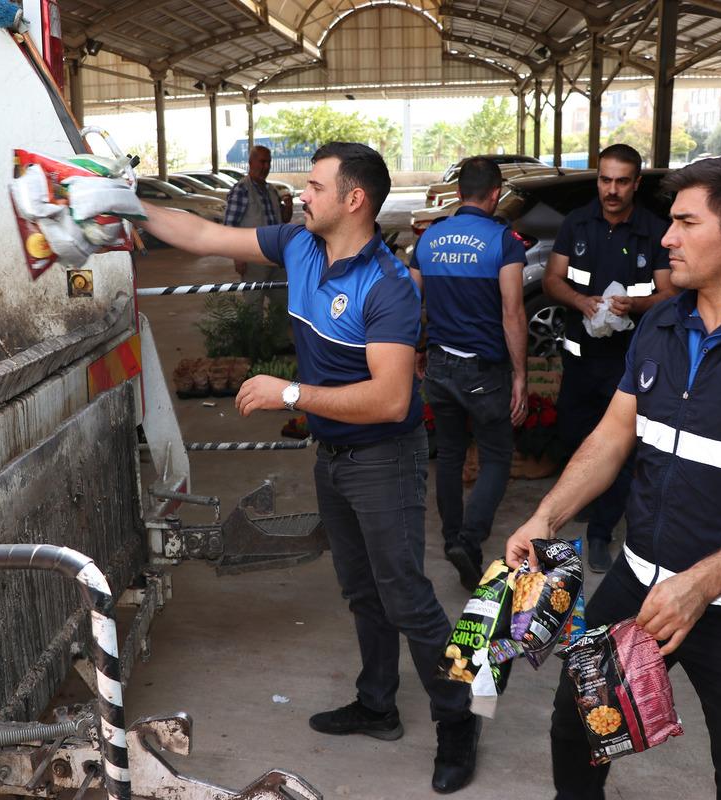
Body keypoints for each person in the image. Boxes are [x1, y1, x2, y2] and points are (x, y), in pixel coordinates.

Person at [507, 156, 721, 800]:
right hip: (639, 581)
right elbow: (613, 436)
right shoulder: (663, 326)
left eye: (685, 222)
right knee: (579, 727)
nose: (665, 237)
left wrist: (700, 585)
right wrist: (546, 517)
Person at [136, 142, 479, 794]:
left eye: (317, 185)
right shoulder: (298, 245)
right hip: (336, 457)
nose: (304, 194)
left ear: (354, 199)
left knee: (410, 597)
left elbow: (392, 398)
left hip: (384, 458)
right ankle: (377, 704)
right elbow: (204, 231)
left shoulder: (388, 285)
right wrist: (131, 205)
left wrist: (289, 393)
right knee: (361, 591)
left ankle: (460, 718)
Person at [543, 143, 675, 573]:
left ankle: (599, 534)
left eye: (621, 181)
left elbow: (670, 292)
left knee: (619, 450)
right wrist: (580, 301)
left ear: (636, 183)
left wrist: (633, 306)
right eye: (605, 180)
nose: (611, 190)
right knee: (573, 434)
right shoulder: (578, 224)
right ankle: (585, 496)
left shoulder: (653, 231)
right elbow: (551, 280)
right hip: (581, 359)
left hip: (629, 364)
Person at [409, 156, 529, 590]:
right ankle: (470, 539)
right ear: (495, 194)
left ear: (459, 193)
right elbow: (513, 313)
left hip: (439, 367)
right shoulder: (503, 242)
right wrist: (521, 376)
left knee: (451, 455)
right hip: (483, 371)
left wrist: (420, 349)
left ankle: (449, 538)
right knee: (497, 456)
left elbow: (410, 304)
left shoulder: (429, 239)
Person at [223, 145, 294, 309]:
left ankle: (277, 334)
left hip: (276, 258)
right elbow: (229, 227)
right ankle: (255, 335)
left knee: (282, 303)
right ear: (250, 162)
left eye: (269, 162)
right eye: (262, 162)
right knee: (253, 306)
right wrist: (238, 257)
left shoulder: (271, 190)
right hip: (253, 258)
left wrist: (288, 206)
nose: (266, 167)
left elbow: (282, 219)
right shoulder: (241, 190)